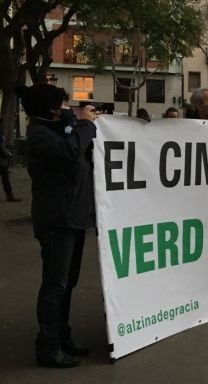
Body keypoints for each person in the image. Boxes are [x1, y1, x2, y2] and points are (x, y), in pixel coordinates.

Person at [16, 84, 98, 368]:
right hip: (56, 220)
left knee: (68, 283)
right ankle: (48, 346)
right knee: (56, 284)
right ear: (51, 108)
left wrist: (78, 124)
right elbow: (68, 151)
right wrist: (85, 125)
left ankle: (62, 338)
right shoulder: (39, 135)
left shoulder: (56, 128)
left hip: (72, 217)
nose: (67, 109)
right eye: (62, 104)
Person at [0, 137, 21, 202]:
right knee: (5, 179)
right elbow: (1, 148)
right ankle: (9, 196)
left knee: (5, 179)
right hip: (1, 161)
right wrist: (8, 154)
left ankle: (10, 196)